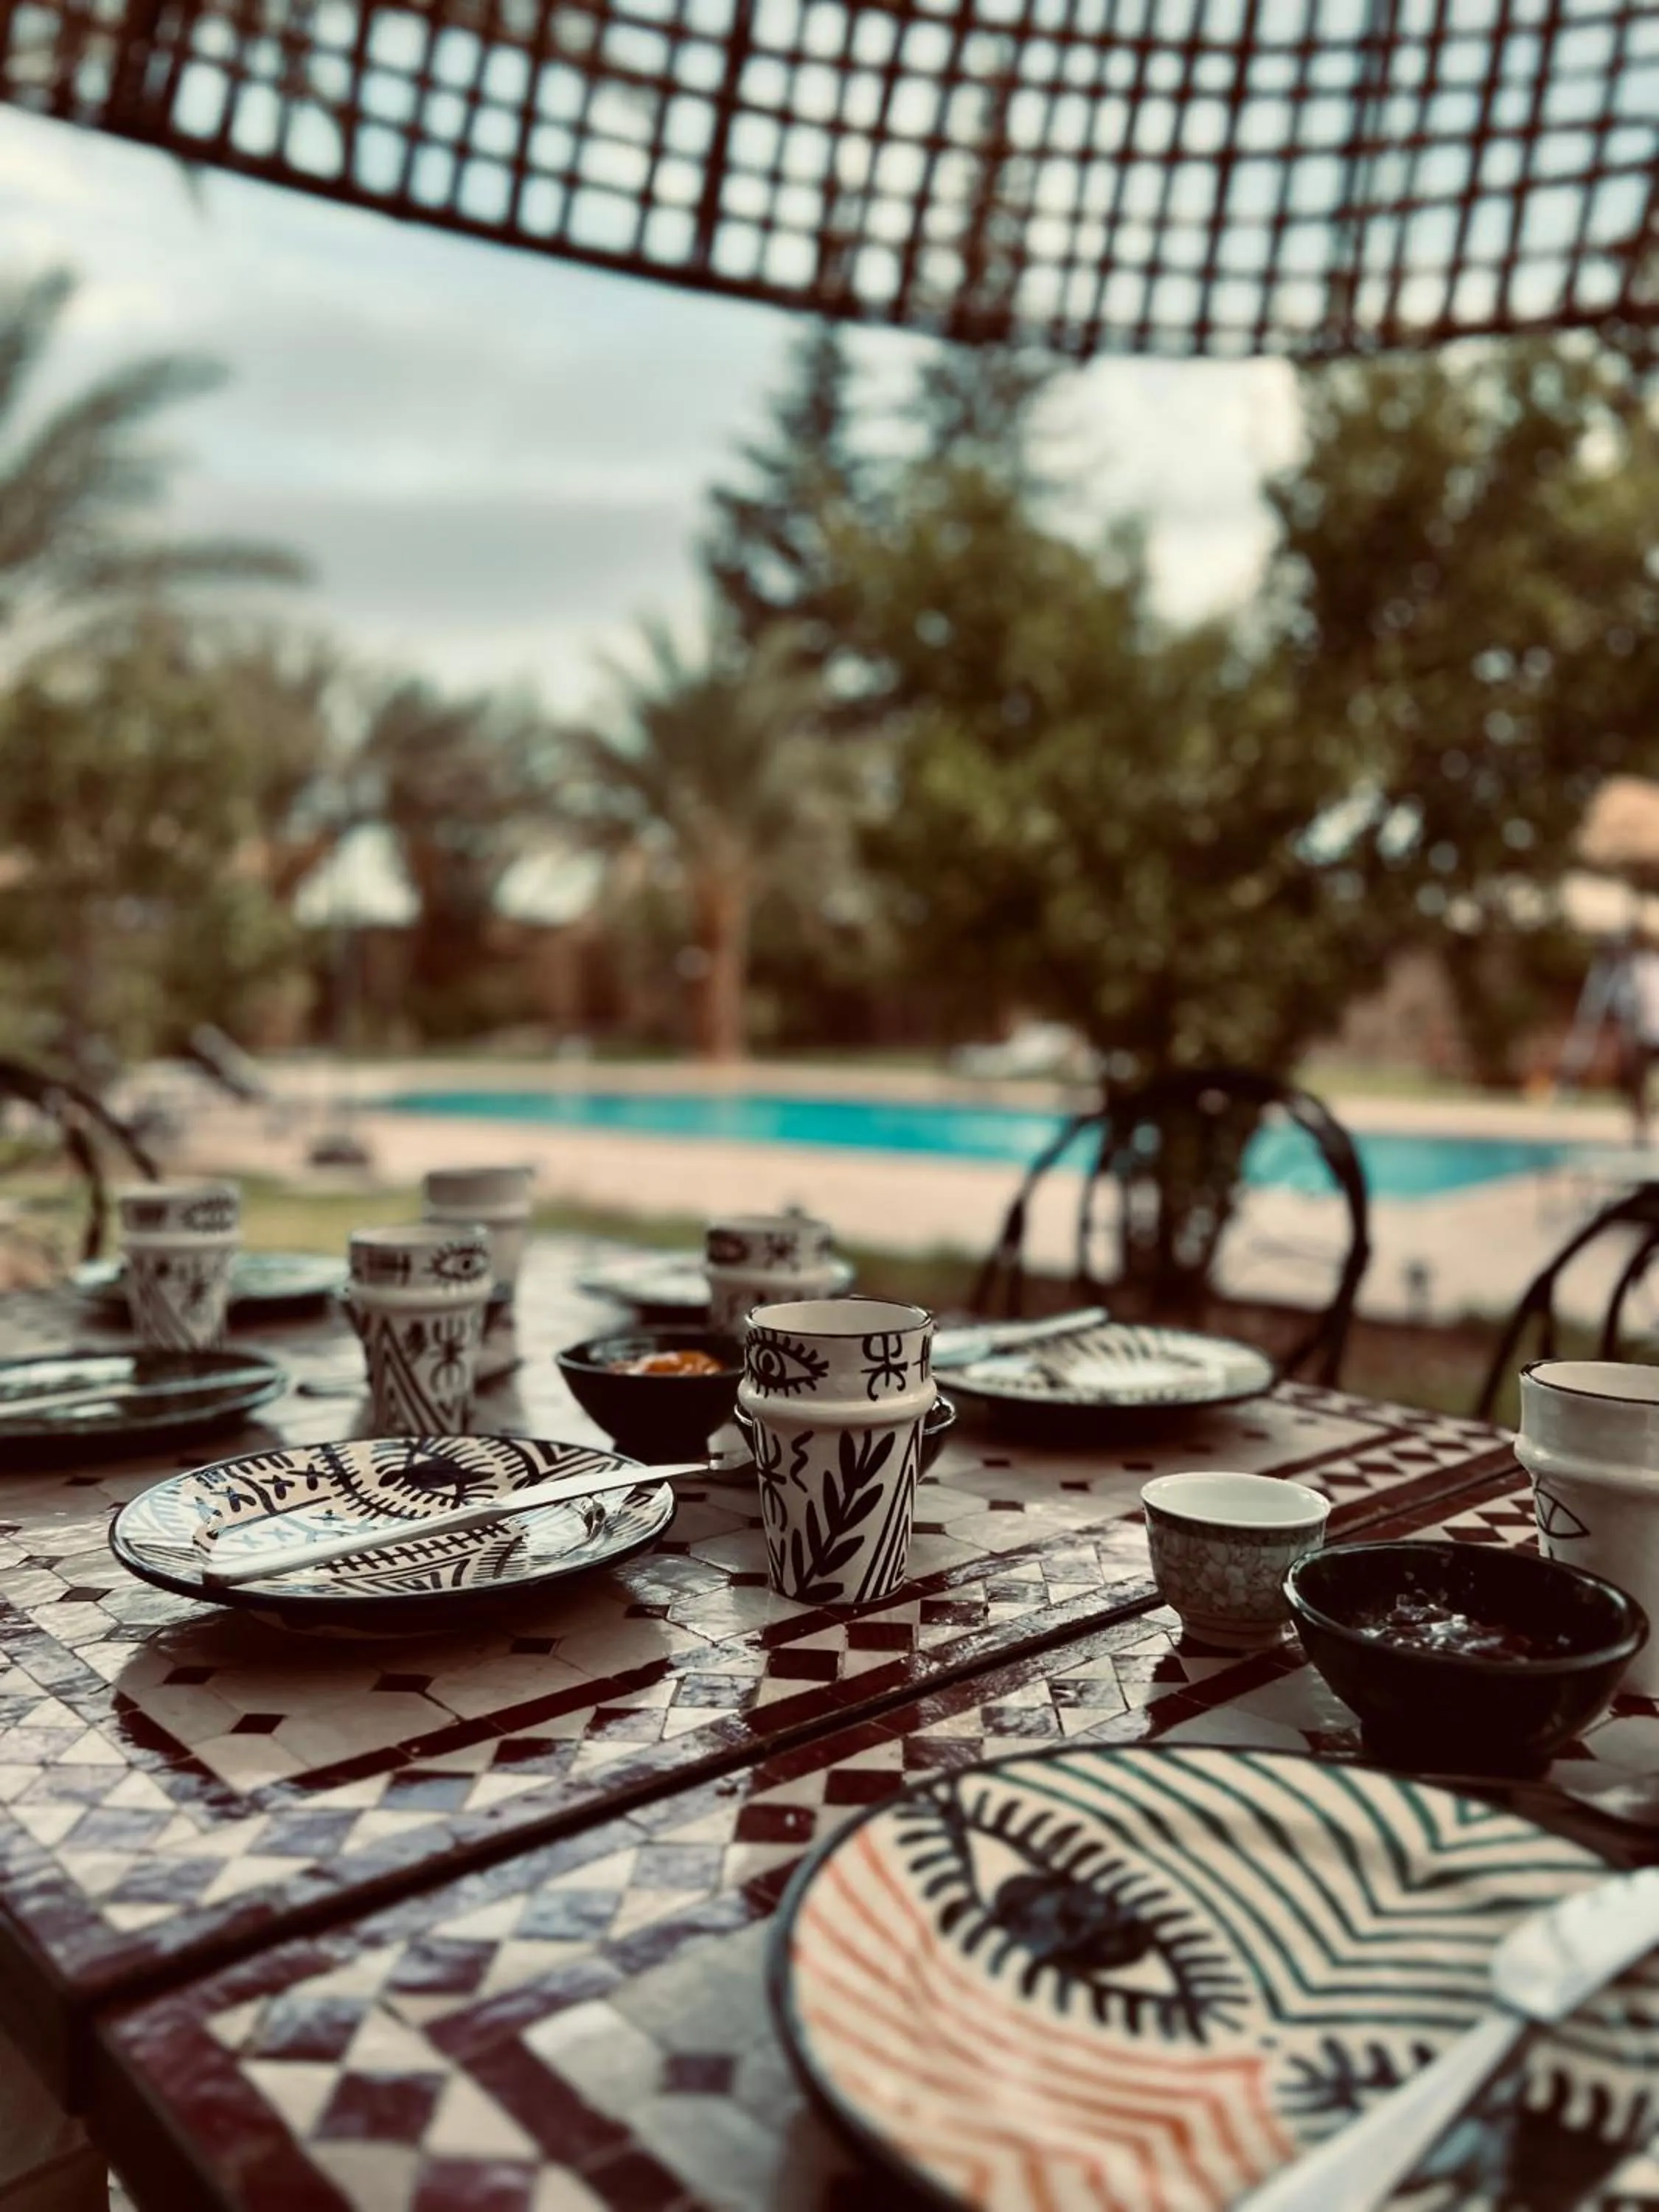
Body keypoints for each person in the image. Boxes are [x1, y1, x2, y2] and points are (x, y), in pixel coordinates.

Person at [1614, 931, 1659, 1142]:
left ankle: (1641, 1127)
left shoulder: (1637, 969)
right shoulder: (1639, 968)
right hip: (1646, 1033)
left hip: (1646, 1033)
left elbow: (1628, 1004)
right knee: (1638, 1083)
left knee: (1639, 1083)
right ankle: (1641, 1127)